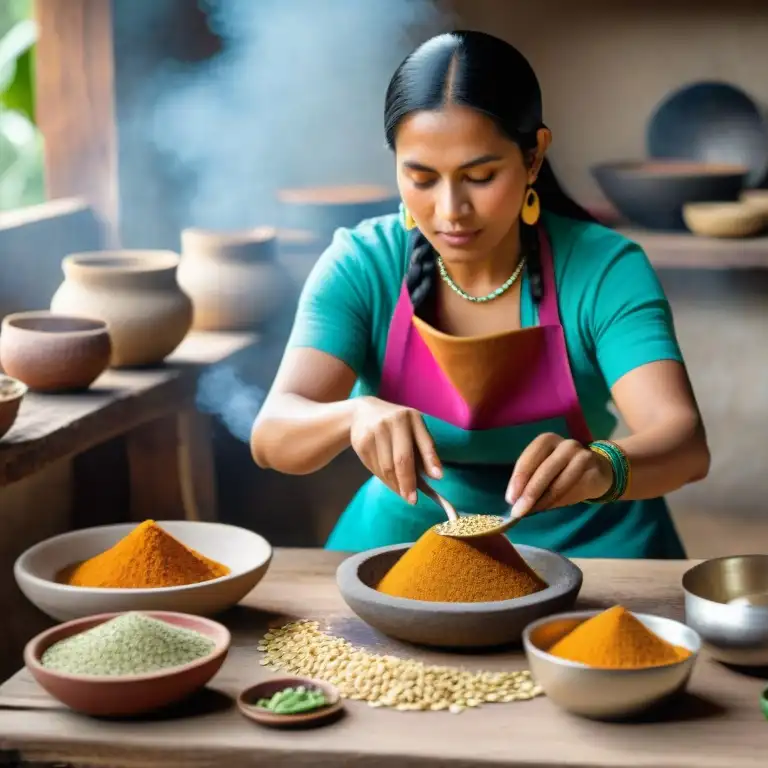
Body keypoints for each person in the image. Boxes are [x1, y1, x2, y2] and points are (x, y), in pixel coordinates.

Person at [250, 30, 710, 558]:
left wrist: (604, 466)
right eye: (421, 177)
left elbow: (684, 444)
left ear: (533, 157)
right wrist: (352, 416)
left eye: (481, 176)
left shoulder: (604, 269)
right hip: (406, 541)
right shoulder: (362, 266)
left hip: (593, 541)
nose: (450, 210)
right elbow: (272, 437)